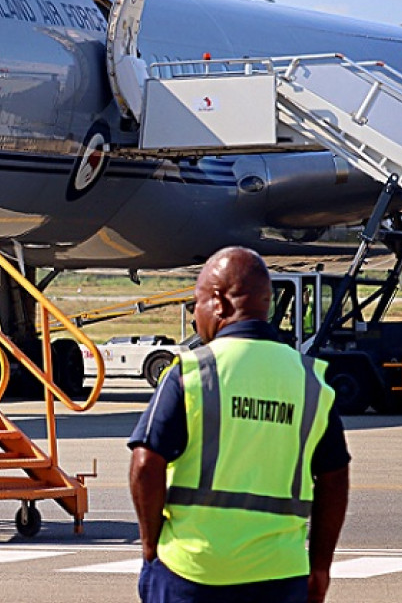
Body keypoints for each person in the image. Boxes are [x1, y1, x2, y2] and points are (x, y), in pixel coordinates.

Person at [128, 247, 350, 603]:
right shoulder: (310, 382)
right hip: (280, 574)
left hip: (192, 571)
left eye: (196, 303)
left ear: (218, 302)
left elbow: (145, 463)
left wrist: (151, 545)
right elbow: (335, 478)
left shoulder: (193, 373)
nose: (196, 315)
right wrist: (319, 567)